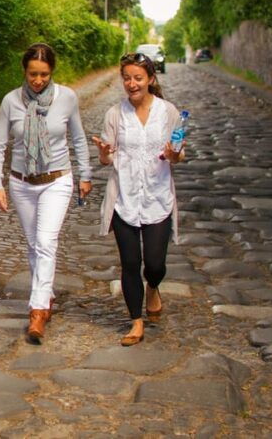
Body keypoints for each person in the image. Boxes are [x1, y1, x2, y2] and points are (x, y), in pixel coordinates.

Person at [0, 43, 92, 342]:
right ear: (24, 71)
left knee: (46, 242)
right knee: (34, 245)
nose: (38, 80)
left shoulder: (67, 98)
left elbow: (79, 138)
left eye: (44, 74)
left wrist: (85, 174)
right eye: (33, 74)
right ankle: (45, 295)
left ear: (52, 72)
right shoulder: (11, 101)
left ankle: (37, 311)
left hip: (57, 179)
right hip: (21, 182)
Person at [92, 52, 184, 346]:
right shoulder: (114, 115)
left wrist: (174, 155)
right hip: (125, 199)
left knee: (154, 265)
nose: (132, 84)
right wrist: (105, 153)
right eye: (127, 78)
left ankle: (153, 288)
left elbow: (179, 153)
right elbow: (106, 159)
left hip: (158, 198)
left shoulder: (168, 112)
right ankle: (135, 321)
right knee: (130, 262)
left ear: (151, 79)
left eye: (138, 78)